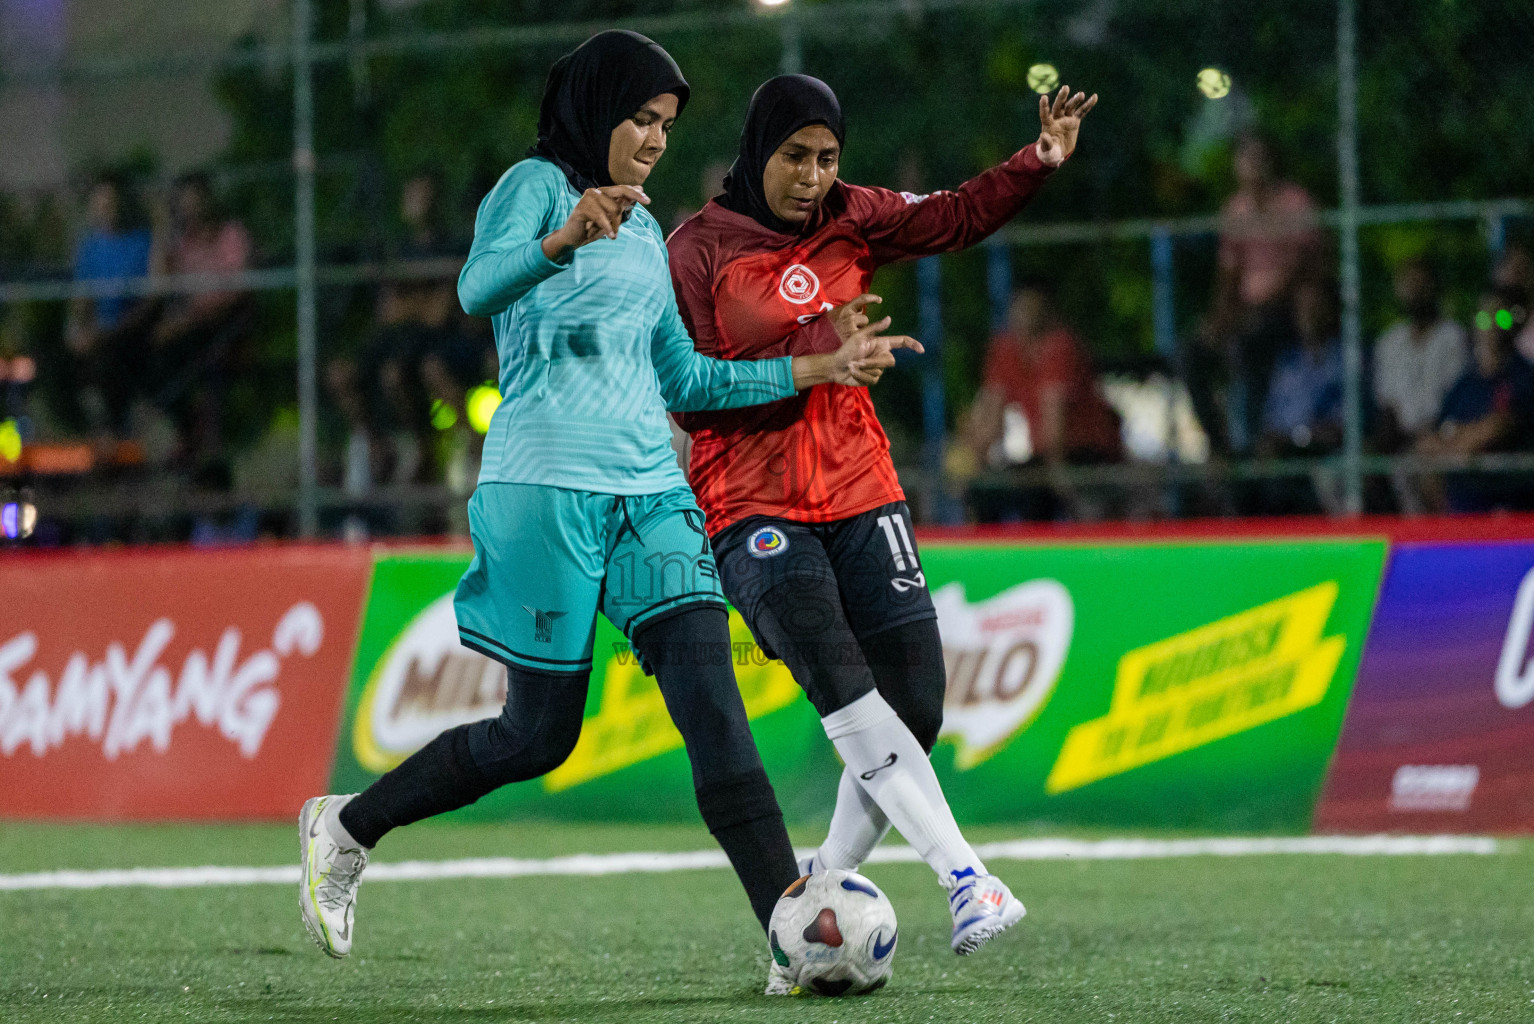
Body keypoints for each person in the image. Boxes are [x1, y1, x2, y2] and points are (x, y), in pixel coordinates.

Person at [298, 31, 910, 974]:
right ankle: (346, 827)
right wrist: (560, 237)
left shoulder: (642, 231)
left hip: (652, 496)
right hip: (543, 489)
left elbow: (687, 378)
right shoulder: (537, 186)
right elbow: (473, 288)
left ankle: (787, 940)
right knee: (536, 735)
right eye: (641, 118)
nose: (658, 138)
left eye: (667, 124)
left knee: (712, 700)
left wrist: (815, 366)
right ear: (597, 111)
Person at [667, 74, 1095, 967]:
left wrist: (1038, 161)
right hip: (752, 500)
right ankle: (964, 875)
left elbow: (953, 214)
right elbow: (692, 388)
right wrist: (815, 350)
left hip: (861, 487)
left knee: (917, 700)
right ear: (757, 152)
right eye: (794, 157)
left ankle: (815, 897)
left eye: (827, 158)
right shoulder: (696, 249)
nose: (813, 177)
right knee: (837, 671)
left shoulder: (855, 214)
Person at [1196, 134, 1324, 453]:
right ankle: (1221, 447)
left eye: (1258, 157)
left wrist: (1261, 306)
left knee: (1250, 344)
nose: (1252, 166)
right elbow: (1229, 274)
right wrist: (1219, 318)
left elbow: (1305, 266)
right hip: (1246, 312)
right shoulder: (1236, 209)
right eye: (1245, 158)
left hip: (1285, 308)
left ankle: (1255, 444)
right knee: (1191, 354)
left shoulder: (1296, 202)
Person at [964, 283, 1122, 521]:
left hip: (1086, 453)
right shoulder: (1006, 349)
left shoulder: (1061, 346)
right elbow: (991, 413)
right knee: (984, 492)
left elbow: (1054, 418)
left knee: (1034, 493)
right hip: (1046, 458)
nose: (1024, 317)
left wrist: (1058, 475)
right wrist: (973, 467)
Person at [151, 172, 255, 477]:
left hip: (227, 323)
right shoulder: (180, 243)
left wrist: (189, 319)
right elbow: (160, 285)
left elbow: (238, 289)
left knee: (211, 363)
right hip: (192, 328)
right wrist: (161, 232)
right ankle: (189, 429)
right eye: (184, 201)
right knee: (154, 361)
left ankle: (212, 442)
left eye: (196, 199)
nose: (191, 207)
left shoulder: (231, 234)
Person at [1417, 286, 1534, 512]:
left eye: (1501, 318)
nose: (1491, 326)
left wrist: (1459, 442)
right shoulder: (1464, 383)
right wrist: (1450, 446)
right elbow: (1431, 436)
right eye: (1483, 318)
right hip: (1462, 498)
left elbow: (1498, 427)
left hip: (1511, 499)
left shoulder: (1523, 377)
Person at [64, 172, 155, 436]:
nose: (106, 210)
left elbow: (150, 299)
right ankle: (82, 434)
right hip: (98, 334)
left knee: (107, 364)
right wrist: (75, 331)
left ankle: (116, 434)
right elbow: (82, 300)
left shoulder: (142, 243)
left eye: (111, 203)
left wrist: (110, 332)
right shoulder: (89, 247)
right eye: (100, 203)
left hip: (131, 335)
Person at [1372, 257, 1468, 452]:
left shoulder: (1454, 337)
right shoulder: (1389, 342)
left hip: (1443, 438)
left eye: (1420, 283)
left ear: (1433, 287)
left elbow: (1455, 395)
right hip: (1398, 441)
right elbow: (1387, 401)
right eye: (1407, 284)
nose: (1414, 292)